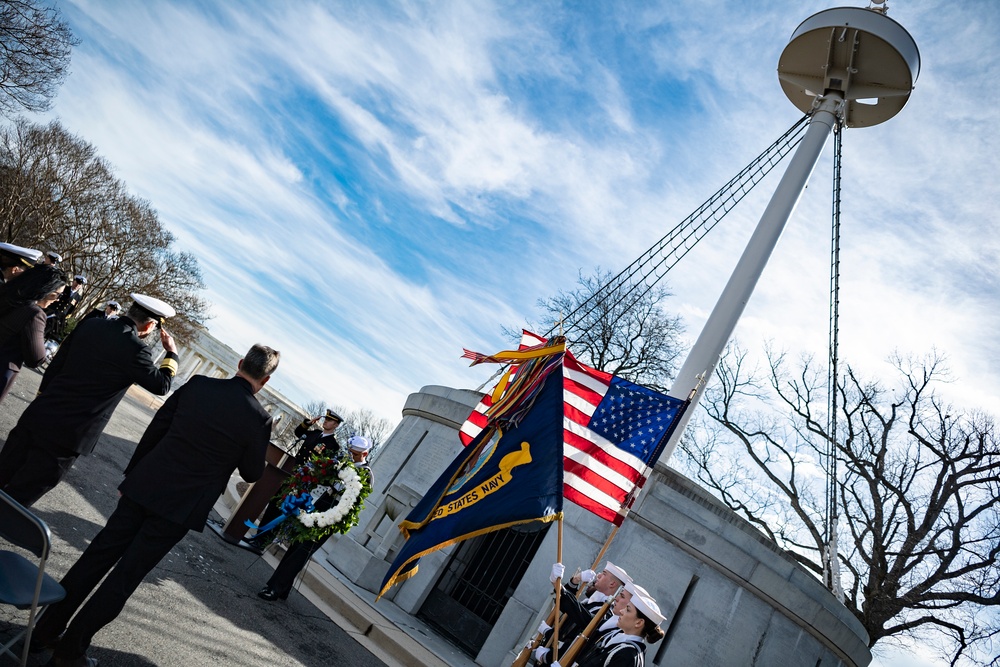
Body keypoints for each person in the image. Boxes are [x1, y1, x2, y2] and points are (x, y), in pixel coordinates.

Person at [30, 344, 280, 667]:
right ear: (267, 380)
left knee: (96, 557)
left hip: (145, 484)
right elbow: (251, 472)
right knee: (125, 577)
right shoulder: (259, 419)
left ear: (241, 362)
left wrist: (132, 476)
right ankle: (70, 651)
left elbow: (157, 427)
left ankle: (45, 630)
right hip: (182, 505)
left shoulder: (199, 385)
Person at [0, 293, 180, 506]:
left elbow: (58, 362)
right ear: (150, 326)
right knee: (23, 493)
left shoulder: (92, 324)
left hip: (43, 410)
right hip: (72, 431)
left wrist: (43, 396)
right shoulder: (137, 350)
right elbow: (162, 385)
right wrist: (172, 354)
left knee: (5, 468)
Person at [257, 434, 374, 601]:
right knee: (295, 546)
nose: (351, 456)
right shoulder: (342, 463)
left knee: (302, 552)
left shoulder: (366, 475)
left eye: (354, 454)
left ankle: (274, 588)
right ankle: (284, 588)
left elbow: (353, 503)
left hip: (332, 516)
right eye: (350, 451)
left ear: (365, 454)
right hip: (319, 506)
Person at [245, 408, 344, 549]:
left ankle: (262, 543)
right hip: (291, 476)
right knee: (274, 505)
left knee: (283, 510)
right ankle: (257, 537)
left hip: (303, 483)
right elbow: (298, 433)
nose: (326, 421)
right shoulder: (314, 433)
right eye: (325, 419)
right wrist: (308, 423)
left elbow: (325, 468)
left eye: (329, 420)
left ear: (336, 425)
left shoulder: (333, 446)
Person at [534, 562, 632, 665]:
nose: (598, 575)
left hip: (556, 659)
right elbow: (570, 609)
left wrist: (547, 656)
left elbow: (577, 617)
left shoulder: (603, 613)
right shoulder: (592, 602)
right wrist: (574, 581)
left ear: (612, 584)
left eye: (604, 573)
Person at [0, 265, 67, 404]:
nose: (57, 299)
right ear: (46, 289)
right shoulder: (34, 314)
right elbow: (36, 358)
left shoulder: (5, 293)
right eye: (58, 294)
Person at [564, 590, 666, 667]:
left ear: (639, 622)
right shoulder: (622, 645)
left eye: (628, 610)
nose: (622, 611)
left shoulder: (627, 655)